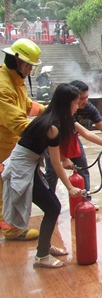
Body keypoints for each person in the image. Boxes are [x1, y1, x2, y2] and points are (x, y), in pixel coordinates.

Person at [2, 83, 102, 269]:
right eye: (75, 102)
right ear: (67, 104)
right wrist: (70, 187)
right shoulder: (52, 126)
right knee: (53, 207)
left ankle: (45, 247)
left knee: (52, 206)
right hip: (21, 168)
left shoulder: (61, 118)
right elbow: (56, 163)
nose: (78, 106)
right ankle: (41, 256)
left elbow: (87, 133)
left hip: (30, 165)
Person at [44, 80, 102, 208]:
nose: (82, 103)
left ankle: (85, 201)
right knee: (52, 172)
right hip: (53, 143)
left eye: (86, 98)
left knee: (82, 167)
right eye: (79, 100)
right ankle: (49, 205)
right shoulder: (57, 116)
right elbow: (53, 149)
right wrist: (64, 159)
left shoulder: (81, 110)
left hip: (71, 138)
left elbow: (93, 130)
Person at [0, 39, 45, 240]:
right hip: (2, 147)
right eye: (29, 65)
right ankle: (11, 229)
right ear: (17, 61)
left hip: (6, 147)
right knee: (4, 191)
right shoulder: (3, 87)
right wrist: (48, 132)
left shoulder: (15, 81)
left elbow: (26, 106)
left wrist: (49, 111)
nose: (30, 70)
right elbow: (18, 122)